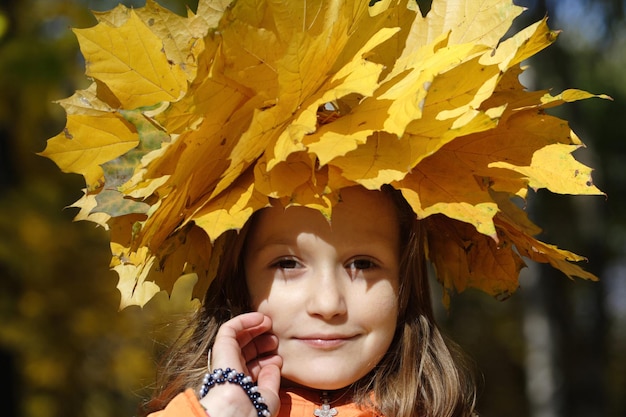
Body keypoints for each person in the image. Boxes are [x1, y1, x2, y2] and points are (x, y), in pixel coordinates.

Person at [141, 185, 477, 417]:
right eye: (288, 264)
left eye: (362, 264)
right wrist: (223, 407)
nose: (328, 303)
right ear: (238, 283)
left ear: (404, 286)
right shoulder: (208, 409)